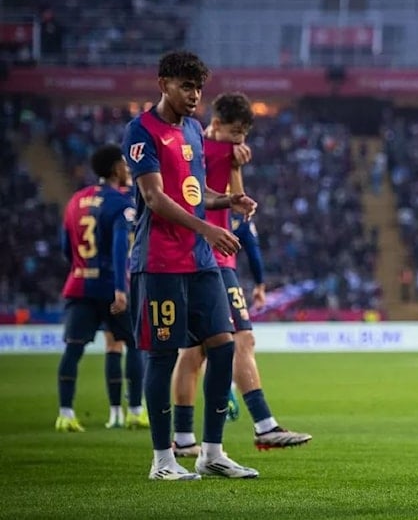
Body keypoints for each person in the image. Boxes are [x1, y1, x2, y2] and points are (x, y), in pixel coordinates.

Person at [122, 50, 259, 481]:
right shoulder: (140, 130)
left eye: (198, 88)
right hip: (160, 261)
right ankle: (163, 460)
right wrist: (206, 229)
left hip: (200, 261)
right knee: (162, 356)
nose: (194, 95)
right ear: (163, 83)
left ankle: (212, 452)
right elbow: (154, 198)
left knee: (223, 346)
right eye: (185, 86)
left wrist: (227, 201)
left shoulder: (196, 131)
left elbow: (192, 193)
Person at [171, 92, 311, 457]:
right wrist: (233, 164)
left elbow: (238, 210)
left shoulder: (205, 149)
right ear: (215, 124)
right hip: (212, 259)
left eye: (244, 134)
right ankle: (265, 426)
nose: (240, 141)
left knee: (193, 353)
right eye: (235, 132)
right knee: (242, 339)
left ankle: (184, 439)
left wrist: (234, 165)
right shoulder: (206, 148)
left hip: (204, 257)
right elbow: (229, 200)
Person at [56, 144, 146, 432]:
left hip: (79, 284)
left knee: (73, 349)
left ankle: (66, 414)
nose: (128, 168)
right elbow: (121, 248)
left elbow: (65, 247)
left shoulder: (75, 201)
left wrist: (80, 268)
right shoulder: (121, 203)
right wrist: (121, 289)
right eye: (124, 164)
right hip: (110, 286)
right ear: (114, 169)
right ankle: (134, 411)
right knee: (133, 343)